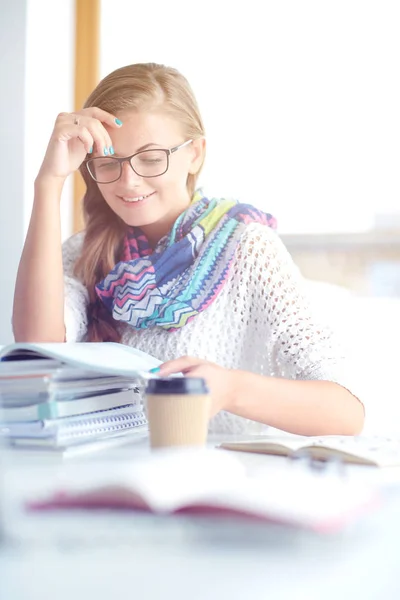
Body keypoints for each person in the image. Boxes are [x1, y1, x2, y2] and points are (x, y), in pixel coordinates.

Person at [12, 62, 364, 436]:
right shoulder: (83, 252)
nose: (129, 182)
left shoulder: (246, 247)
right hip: (106, 482)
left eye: (150, 159)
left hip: (219, 483)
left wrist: (231, 389)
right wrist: (49, 182)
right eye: (109, 162)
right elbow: (39, 345)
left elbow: (345, 412)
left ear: (194, 153)